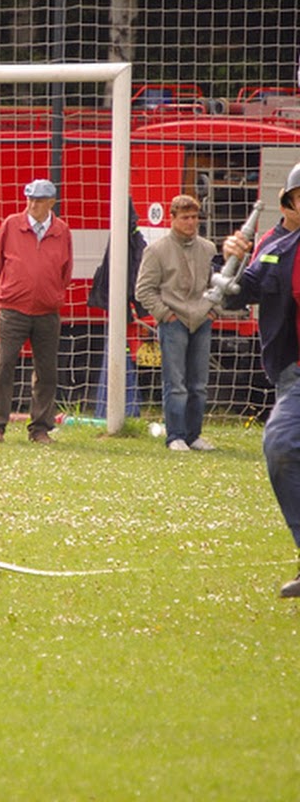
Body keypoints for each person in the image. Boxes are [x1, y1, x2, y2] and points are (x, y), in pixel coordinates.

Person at [222, 163, 300, 597]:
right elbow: (236, 294)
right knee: (283, 448)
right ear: (288, 204)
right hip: (294, 374)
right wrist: (229, 257)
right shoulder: (272, 245)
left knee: (285, 444)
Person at [0, 178, 73, 444]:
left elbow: (65, 271)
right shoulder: (11, 225)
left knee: (47, 370)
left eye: (39, 200)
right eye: (30, 199)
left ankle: (40, 428)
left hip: (47, 311)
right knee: (5, 365)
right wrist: (9, 291)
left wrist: (53, 294)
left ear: (51, 203)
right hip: (13, 310)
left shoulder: (62, 231)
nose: (33, 205)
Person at [134, 194, 218, 452]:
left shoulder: (208, 248)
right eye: (185, 218)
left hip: (202, 318)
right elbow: (143, 290)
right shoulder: (156, 250)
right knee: (176, 381)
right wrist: (165, 314)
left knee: (199, 383)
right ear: (172, 219)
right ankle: (176, 435)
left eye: (194, 217)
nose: (191, 223)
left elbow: (217, 284)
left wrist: (213, 310)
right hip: (174, 320)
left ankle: (194, 435)